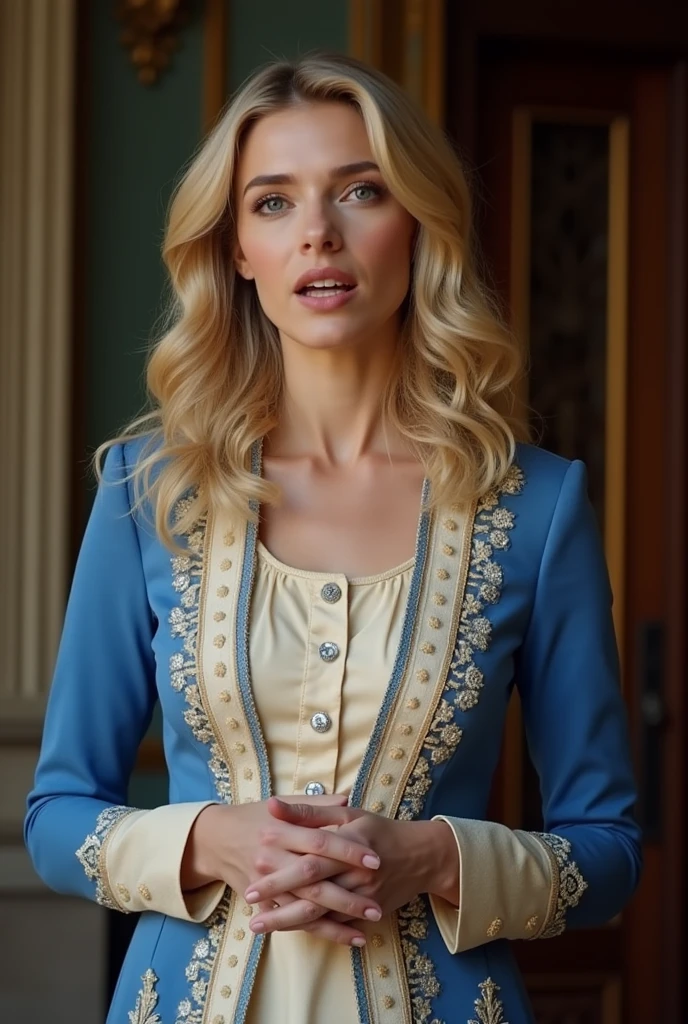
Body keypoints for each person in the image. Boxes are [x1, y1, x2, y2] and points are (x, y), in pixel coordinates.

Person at [25, 51, 641, 1024]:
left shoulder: (535, 505)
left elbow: (606, 850)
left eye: (359, 190)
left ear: (418, 223)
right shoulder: (148, 494)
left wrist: (435, 856)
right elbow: (55, 817)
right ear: (234, 248)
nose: (317, 233)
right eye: (272, 202)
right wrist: (208, 840)